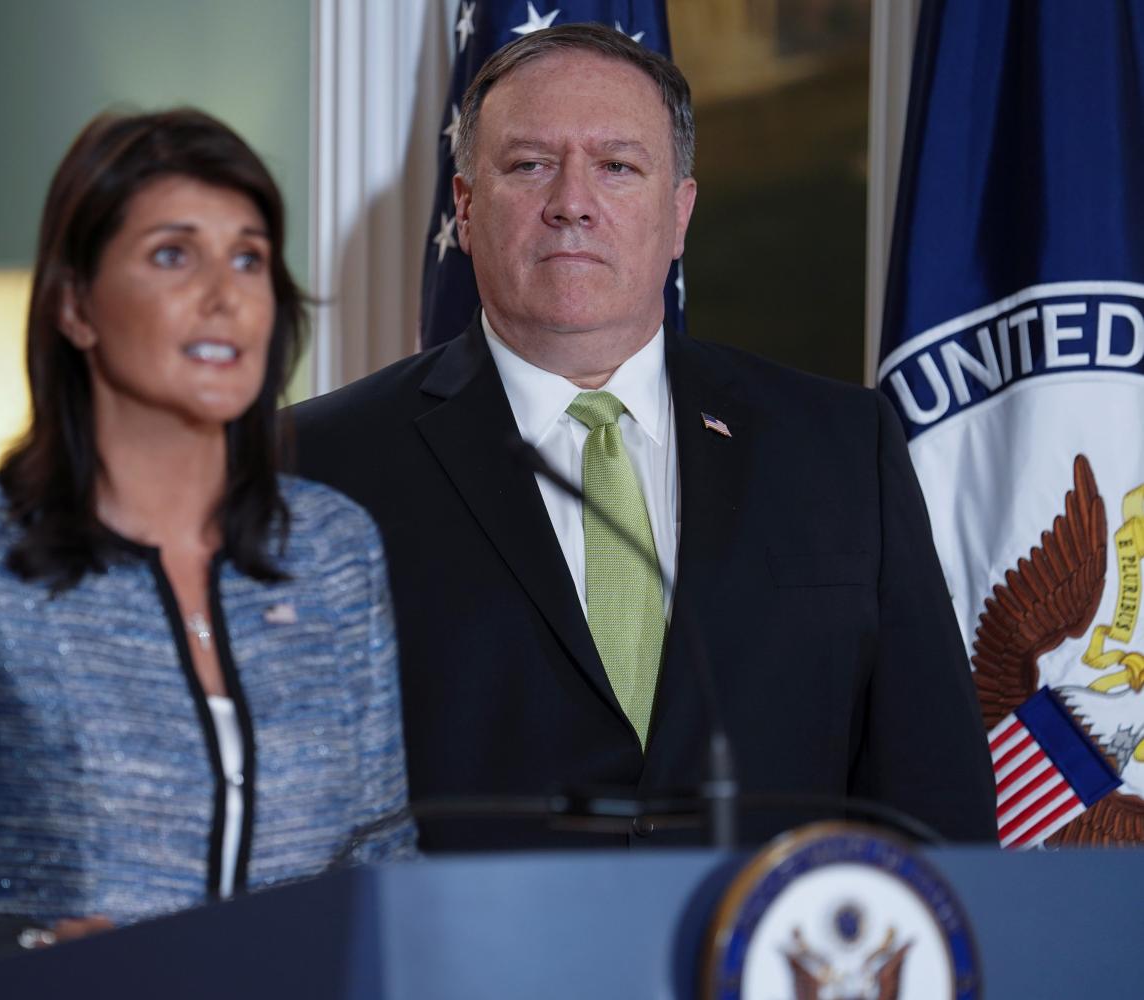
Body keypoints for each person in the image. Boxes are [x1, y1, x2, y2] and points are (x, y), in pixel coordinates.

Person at [292, 24, 997, 852]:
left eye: (618, 166)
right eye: (528, 165)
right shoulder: (320, 464)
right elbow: (297, 821)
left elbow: (933, 798)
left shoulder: (840, 449)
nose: (572, 202)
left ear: (679, 213)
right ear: (467, 208)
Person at [0, 109, 415, 998]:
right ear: (74, 305)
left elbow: (383, 860)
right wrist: (45, 953)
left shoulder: (333, 552)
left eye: (249, 257)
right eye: (174, 255)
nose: (225, 293)